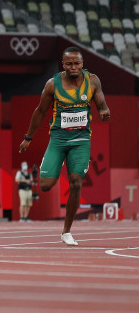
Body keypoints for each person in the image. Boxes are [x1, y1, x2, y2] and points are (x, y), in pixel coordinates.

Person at [19, 47, 110, 246]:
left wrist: (104, 110)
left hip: (81, 140)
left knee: (76, 182)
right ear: (63, 65)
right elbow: (40, 111)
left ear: (82, 64)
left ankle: (66, 231)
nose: (73, 67)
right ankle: (56, 163)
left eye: (77, 63)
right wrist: (28, 138)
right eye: (69, 64)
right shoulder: (53, 85)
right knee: (45, 186)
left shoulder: (92, 81)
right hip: (58, 140)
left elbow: (101, 102)